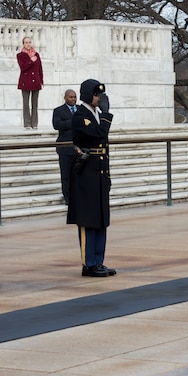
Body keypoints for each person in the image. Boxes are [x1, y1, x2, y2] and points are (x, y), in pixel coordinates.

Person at [67, 79, 117, 277]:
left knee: (101, 219)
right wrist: (106, 116)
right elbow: (98, 135)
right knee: (88, 220)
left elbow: (104, 146)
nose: (99, 98)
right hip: (86, 174)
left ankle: (99, 261)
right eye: (97, 94)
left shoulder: (96, 115)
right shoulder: (81, 116)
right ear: (88, 95)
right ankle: (88, 263)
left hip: (99, 173)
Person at [52, 89, 78, 204]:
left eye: (74, 97)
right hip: (65, 149)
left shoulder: (81, 109)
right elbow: (57, 125)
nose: (73, 99)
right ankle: (68, 198)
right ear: (65, 98)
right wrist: (73, 121)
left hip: (79, 148)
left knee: (78, 175)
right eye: (71, 97)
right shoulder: (59, 111)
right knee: (66, 175)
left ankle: (78, 196)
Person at [16, 37, 44, 129]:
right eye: (26, 42)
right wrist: (31, 61)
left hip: (36, 81)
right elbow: (23, 67)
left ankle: (34, 123)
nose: (28, 44)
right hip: (25, 81)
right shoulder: (20, 55)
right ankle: (27, 123)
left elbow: (40, 68)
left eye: (29, 42)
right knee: (26, 103)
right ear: (23, 44)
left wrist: (41, 80)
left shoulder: (37, 54)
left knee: (35, 103)